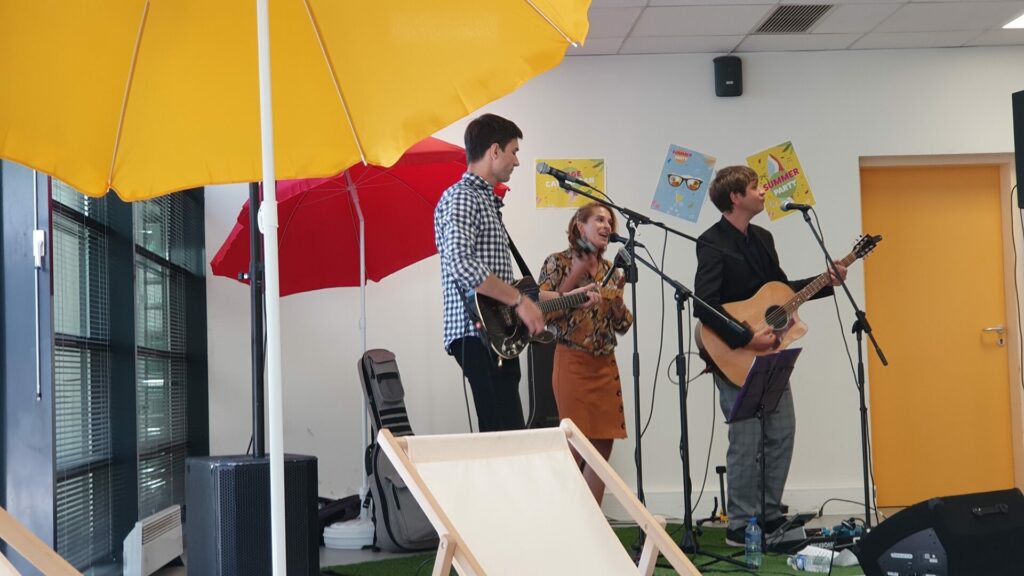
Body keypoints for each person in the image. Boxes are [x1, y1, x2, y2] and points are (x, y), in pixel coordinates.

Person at [693, 165, 846, 546]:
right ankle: (740, 526)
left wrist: (826, 282)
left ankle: (768, 515)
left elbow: (779, 290)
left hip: (771, 352)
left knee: (782, 431)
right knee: (746, 439)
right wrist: (747, 338)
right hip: (733, 354)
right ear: (735, 197)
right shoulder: (711, 241)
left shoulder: (762, 237)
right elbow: (705, 305)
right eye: (754, 186)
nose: (763, 191)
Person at [434, 113, 596, 433]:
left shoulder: (486, 201)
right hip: (475, 334)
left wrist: (570, 298)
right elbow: (461, 264)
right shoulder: (462, 197)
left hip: (498, 335)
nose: (517, 162)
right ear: (494, 151)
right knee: (501, 435)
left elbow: (512, 289)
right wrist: (520, 301)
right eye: (514, 151)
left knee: (511, 432)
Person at [537, 202, 633, 504]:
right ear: (580, 226)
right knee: (574, 446)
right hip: (573, 363)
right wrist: (573, 293)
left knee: (603, 446)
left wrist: (617, 304)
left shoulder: (609, 270)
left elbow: (621, 325)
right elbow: (541, 313)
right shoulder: (558, 262)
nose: (607, 226)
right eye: (599, 220)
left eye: (610, 222)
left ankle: (592, 520)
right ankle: (560, 514)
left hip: (605, 365)